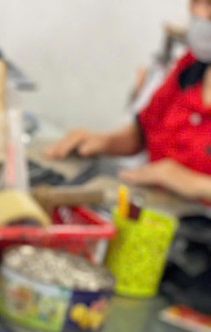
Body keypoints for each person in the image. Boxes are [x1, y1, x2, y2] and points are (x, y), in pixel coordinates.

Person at [46, 0, 211, 201]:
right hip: (156, 209)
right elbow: (143, 132)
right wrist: (105, 141)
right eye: (196, 2)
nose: (199, 12)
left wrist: (192, 182)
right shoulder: (189, 68)